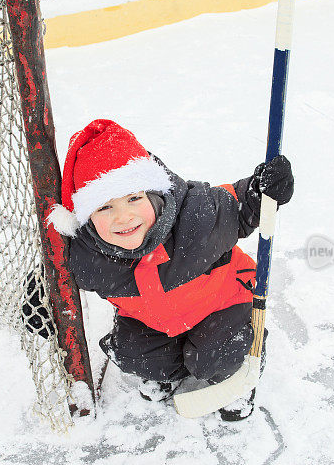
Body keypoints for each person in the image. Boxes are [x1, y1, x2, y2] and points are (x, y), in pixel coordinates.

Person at [47, 119, 294, 421]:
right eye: (104, 207)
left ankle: (237, 378)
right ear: (86, 217)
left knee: (213, 356)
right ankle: (170, 369)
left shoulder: (197, 217)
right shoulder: (89, 257)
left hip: (223, 302)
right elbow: (60, 280)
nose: (123, 217)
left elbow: (240, 204)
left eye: (134, 198)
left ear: (155, 193)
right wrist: (40, 300)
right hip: (157, 317)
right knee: (131, 351)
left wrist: (262, 192)